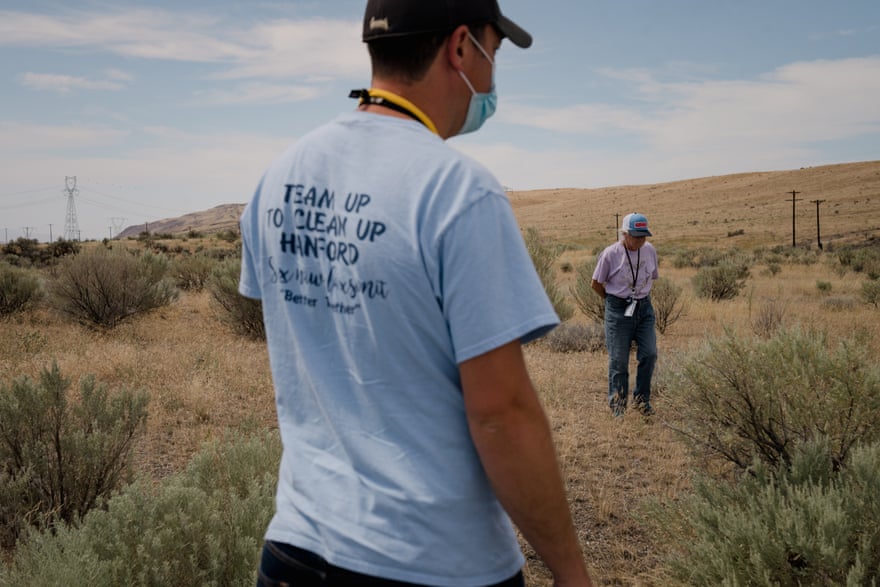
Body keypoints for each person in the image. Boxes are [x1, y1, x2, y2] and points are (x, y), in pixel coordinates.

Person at [238, 1, 593, 585]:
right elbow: (502, 413)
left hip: (296, 550)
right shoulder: (459, 191)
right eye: (493, 54)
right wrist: (571, 571)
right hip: (431, 562)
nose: (493, 79)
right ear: (460, 49)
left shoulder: (279, 177)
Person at [591, 213, 659, 417]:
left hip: (644, 308)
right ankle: (618, 407)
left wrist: (638, 298)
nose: (640, 240)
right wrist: (614, 303)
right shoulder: (610, 253)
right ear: (624, 234)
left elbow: (652, 277)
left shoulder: (649, 250)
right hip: (618, 309)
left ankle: (641, 401)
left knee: (649, 354)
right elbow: (595, 284)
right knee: (619, 360)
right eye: (636, 236)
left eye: (644, 236)